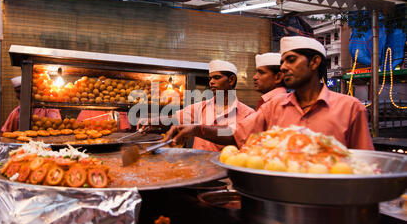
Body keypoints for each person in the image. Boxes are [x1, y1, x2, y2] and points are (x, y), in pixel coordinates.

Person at [164, 36, 374, 151]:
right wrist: (197, 129)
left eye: (290, 60)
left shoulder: (350, 108)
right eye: (282, 62)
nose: (283, 68)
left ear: (314, 62)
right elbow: (234, 134)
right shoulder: (274, 107)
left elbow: (364, 164)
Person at [139, 59, 254, 152]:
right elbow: (175, 119)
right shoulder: (201, 107)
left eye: (217, 77)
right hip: (200, 168)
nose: (211, 82)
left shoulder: (247, 114)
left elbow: (233, 135)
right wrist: (152, 121)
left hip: (226, 173)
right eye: (210, 78)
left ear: (231, 80)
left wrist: (198, 129)